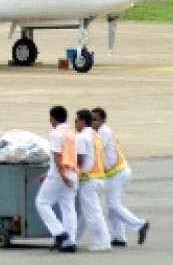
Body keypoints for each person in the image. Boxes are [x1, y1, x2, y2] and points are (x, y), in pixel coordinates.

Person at [92, 106, 149, 247]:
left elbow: (101, 155)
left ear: (103, 120)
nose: (93, 122)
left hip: (116, 172)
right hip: (118, 172)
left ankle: (140, 224)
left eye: (95, 119)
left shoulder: (103, 132)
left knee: (113, 205)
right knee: (113, 208)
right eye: (91, 119)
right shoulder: (100, 131)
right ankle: (119, 238)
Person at [35, 105, 78, 253]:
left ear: (53, 119)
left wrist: (60, 175)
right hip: (72, 172)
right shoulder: (71, 133)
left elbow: (57, 157)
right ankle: (70, 241)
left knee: (42, 202)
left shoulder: (56, 133)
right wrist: (49, 173)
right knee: (68, 207)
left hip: (61, 174)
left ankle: (60, 233)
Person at [74, 108, 112, 252]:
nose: (75, 124)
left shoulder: (82, 137)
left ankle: (102, 241)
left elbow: (81, 159)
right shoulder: (96, 136)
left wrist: (76, 173)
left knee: (92, 212)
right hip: (99, 177)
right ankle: (73, 237)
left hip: (89, 179)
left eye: (76, 121)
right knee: (87, 212)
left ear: (83, 121)